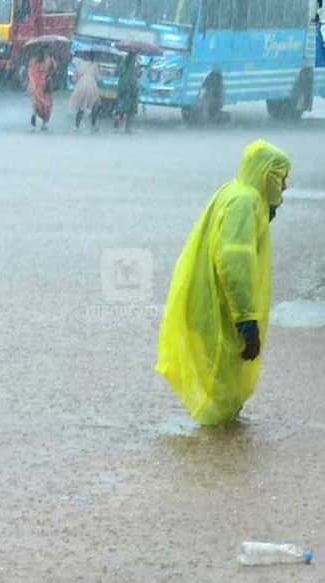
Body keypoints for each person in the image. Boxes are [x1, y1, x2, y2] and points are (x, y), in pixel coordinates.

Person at [155, 140, 291, 426]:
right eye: (280, 179)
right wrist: (246, 320)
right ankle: (217, 454)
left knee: (222, 384)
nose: (285, 187)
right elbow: (235, 263)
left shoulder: (234, 192)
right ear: (266, 175)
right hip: (221, 309)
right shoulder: (245, 202)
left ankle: (217, 451)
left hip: (211, 302)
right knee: (222, 387)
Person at [69, 51, 101, 133]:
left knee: (81, 107)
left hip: (81, 85)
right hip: (92, 85)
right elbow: (98, 78)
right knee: (95, 106)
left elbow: (75, 78)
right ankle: (93, 125)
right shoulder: (95, 65)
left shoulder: (80, 64)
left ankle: (76, 126)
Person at [27, 46, 57, 132]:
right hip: (45, 86)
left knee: (35, 106)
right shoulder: (49, 60)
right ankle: (43, 125)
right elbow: (54, 71)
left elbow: (30, 72)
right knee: (46, 106)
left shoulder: (33, 61)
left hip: (34, 86)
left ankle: (33, 126)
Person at [113, 51, 139, 133]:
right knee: (130, 109)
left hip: (122, 87)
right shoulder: (134, 66)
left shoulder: (122, 64)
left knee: (121, 106)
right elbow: (136, 76)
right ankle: (127, 127)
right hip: (131, 89)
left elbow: (116, 73)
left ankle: (117, 119)